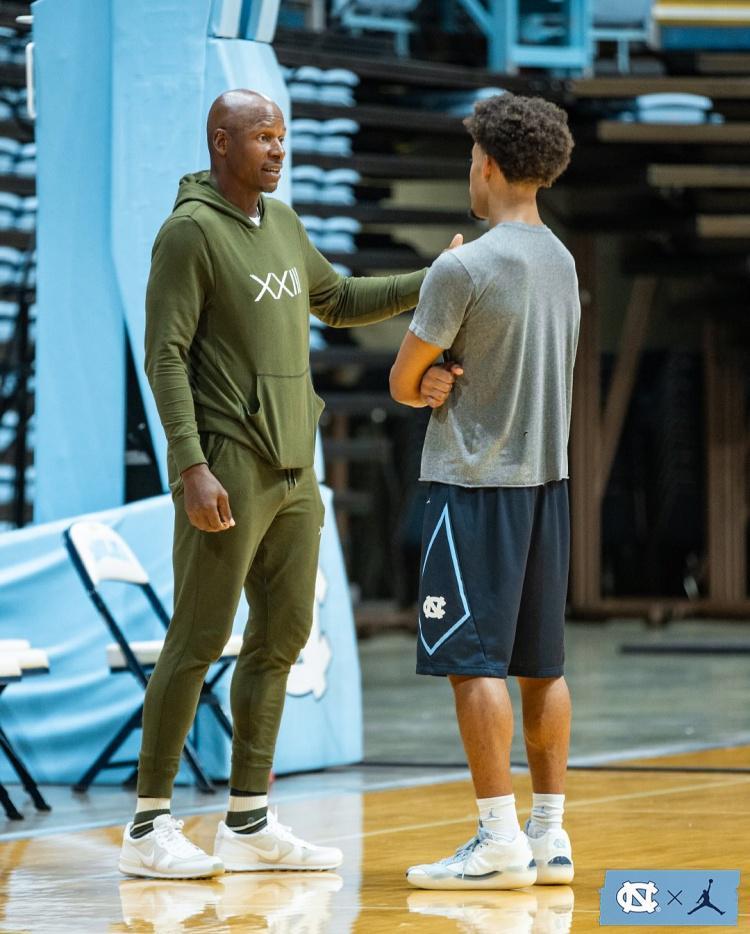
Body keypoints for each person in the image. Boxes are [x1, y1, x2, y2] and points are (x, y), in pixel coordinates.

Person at [119, 88, 458, 880]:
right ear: (221, 141)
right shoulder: (188, 233)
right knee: (198, 639)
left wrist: (432, 279)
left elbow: (336, 300)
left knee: (280, 640)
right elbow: (164, 355)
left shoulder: (281, 223)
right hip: (227, 464)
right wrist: (191, 466)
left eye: (283, 136)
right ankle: (147, 827)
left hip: (296, 468)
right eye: (262, 137)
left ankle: (247, 821)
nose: (278, 149)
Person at [390, 93, 579, 890]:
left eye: (472, 159)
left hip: (473, 489)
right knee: (543, 667)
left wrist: (429, 380)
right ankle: (550, 837)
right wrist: (441, 374)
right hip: (547, 488)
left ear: (490, 166)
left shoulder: (461, 266)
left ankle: (498, 840)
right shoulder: (562, 258)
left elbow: (404, 382)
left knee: (474, 666)